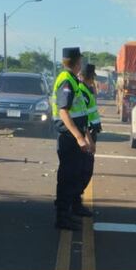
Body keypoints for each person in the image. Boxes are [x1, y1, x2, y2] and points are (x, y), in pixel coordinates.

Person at [52, 47, 91, 230]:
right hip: (68, 138)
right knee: (67, 177)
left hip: (73, 137)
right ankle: (62, 218)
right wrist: (78, 137)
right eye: (80, 61)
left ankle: (67, 213)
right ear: (77, 62)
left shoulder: (72, 80)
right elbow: (63, 111)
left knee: (73, 176)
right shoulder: (67, 81)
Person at [77, 63, 102, 217]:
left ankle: (76, 202)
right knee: (84, 171)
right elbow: (83, 118)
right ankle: (75, 202)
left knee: (84, 170)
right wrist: (88, 140)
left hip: (89, 134)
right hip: (87, 135)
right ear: (90, 77)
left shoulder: (86, 90)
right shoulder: (83, 92)